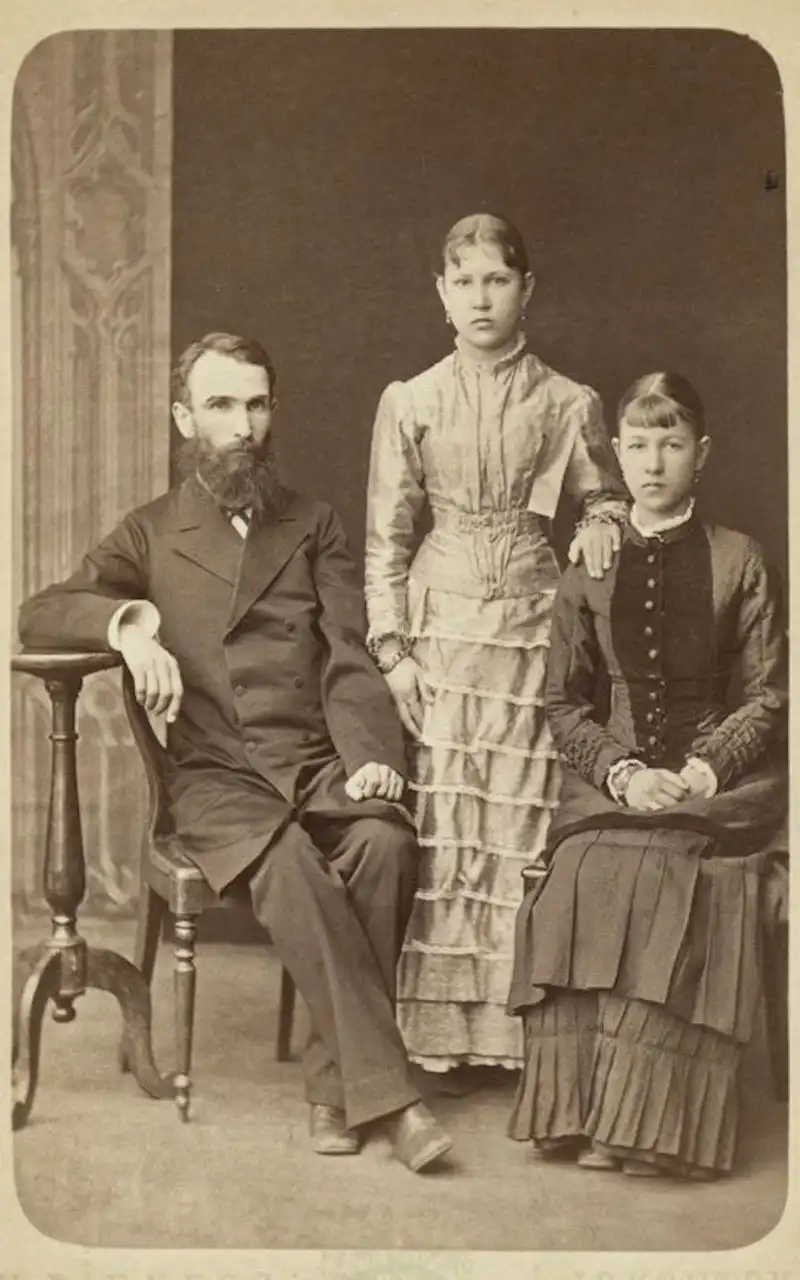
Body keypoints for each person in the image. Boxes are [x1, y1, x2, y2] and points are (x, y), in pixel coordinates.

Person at [18, 331, 453, 1173]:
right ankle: (391, 1098)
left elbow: (349, 651)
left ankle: (335, 1089)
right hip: (218, 777)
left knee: (385, 840)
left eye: (255, 405)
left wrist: (372, 752)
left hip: (316, 761)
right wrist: (128, 626)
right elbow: (41, 611)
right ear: (185, 419)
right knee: (290, 865)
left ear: (272, 412)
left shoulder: (312, 523)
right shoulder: (150, 533)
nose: (241, 426)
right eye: (219, 405)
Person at [363, 213, 628, 1081]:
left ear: (527, 290)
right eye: (465, 282)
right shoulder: (411, 400)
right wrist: (393, 650)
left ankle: (521, 1036)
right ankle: (441, 1038)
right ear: (441, 295)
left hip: (530, 628)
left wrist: (601, 521)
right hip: (439, 631)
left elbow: (606, 495)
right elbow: (385, 541)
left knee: (520, 823)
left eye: (498, 280)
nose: (481, 298)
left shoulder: (567, 401)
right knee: (447, 828)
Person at [507, 371, 788, 1180]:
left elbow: (770, 694)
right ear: (618, 455)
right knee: (583, 870)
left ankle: (652, 1129)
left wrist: (705, 768)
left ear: (703, 453)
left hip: (717, 785)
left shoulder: (739, 558)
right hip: (615, 786)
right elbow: (563, 702)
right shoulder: (590, 565)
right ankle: (586, 1113)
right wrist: (623, 774)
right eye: (637, 445)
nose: (654, 463)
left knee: (675, 872)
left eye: (672, 444)